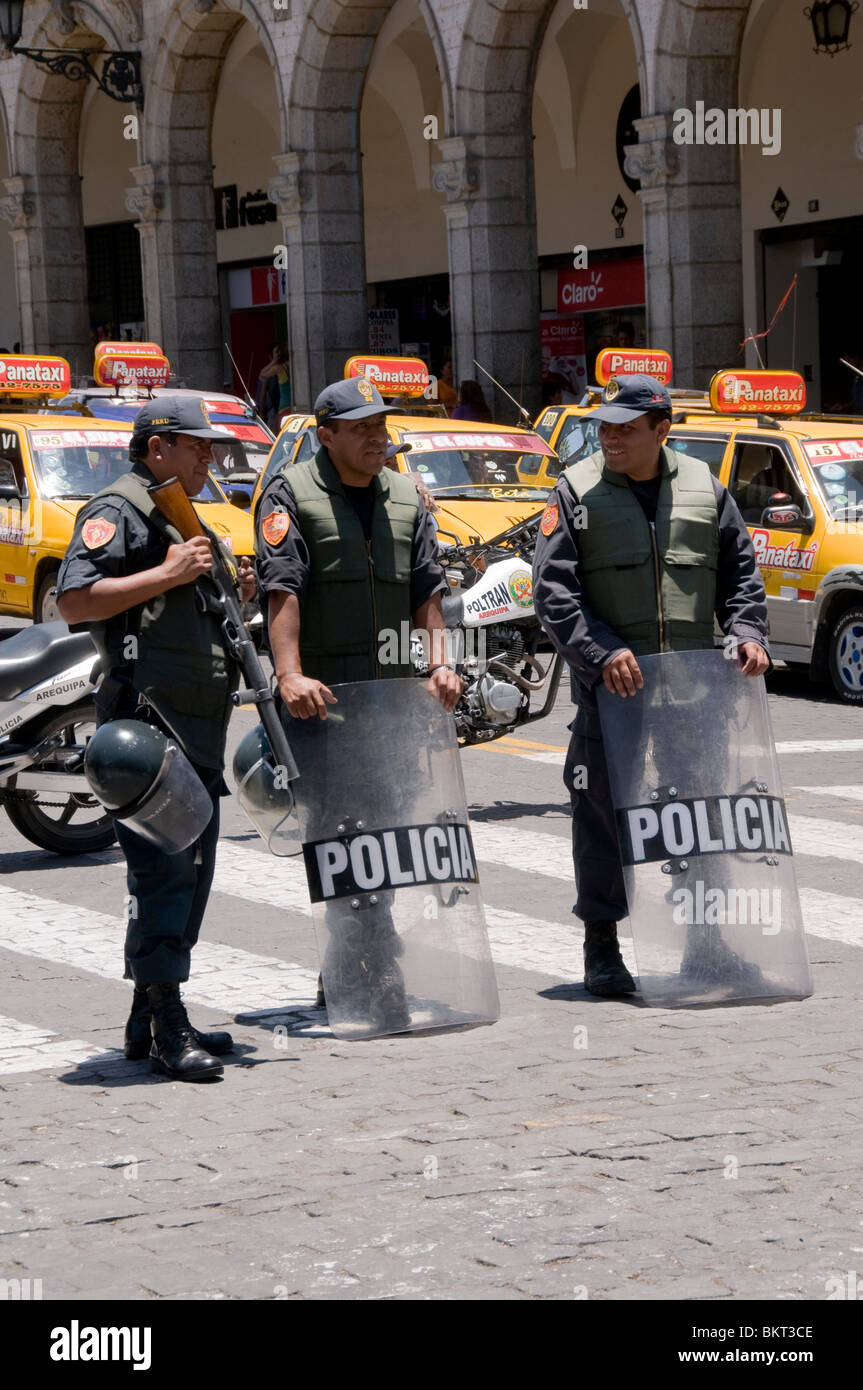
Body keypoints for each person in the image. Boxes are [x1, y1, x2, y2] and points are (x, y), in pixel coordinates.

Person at [532, 373, 770, 998]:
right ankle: (602, 948)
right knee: (602, 818)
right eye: (604, 427)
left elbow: (741, 573)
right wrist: (600, 652)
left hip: (695, 696)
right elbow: (553, 594)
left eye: (625, 428)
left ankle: (709, 943)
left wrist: (747, 632)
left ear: (661, 430)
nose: (610, 437)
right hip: (612, 698)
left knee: (702, 817)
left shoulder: (704, 487)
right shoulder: (575, 492)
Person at [56, 397, 256, 1082]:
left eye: (208, 448)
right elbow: (75, 600)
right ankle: (167, 1024)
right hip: (149, 724)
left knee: (191, 876)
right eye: (195, 446)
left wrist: (237, 590)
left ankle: (150, 1020)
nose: (208, 457)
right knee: (163, 876)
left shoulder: (178, 510)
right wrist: (167, 574)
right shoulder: (118, 511)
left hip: (196, 725)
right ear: (155, 446)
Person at [255, 374, 463, 1022]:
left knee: (389, 833)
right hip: (326, 708)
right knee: (342, 838)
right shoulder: (292, 496)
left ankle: (352, 962)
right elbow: (282, 593)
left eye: (381, 427)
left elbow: (426, 592)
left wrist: (441, 665)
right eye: (362, 429)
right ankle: (369, 967)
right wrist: (288, 676)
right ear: (327, 435)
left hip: (394, 706)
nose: (378, 438)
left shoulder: (404, 496)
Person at [257, 342, 291, 429]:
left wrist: (274, 361)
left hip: (284, 406)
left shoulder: (278, 368)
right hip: (294, 405)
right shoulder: (292, 365)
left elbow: (262, 374)